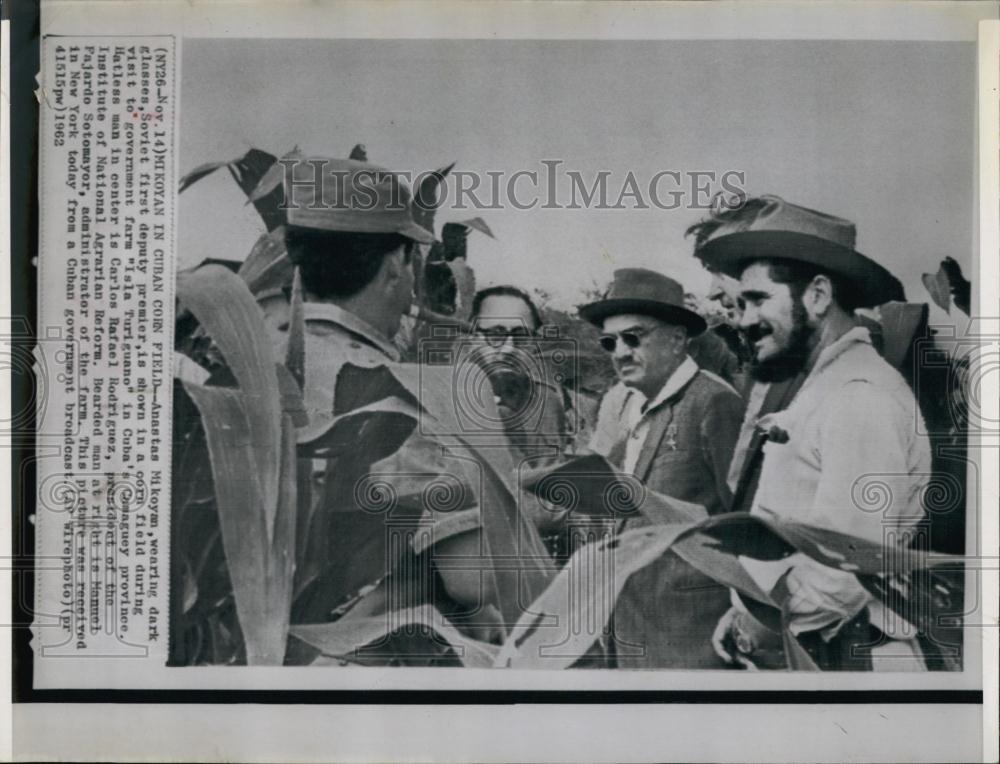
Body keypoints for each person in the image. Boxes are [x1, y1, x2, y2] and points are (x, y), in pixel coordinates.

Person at [692, 194, 930, 670]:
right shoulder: (825, 384)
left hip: (851, 657)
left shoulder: (859, 394)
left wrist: (754, 627)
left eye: (759, 299)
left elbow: (847, 567)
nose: (746, 320)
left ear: (818, 295)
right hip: (816, 647)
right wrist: (745, 612)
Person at [582, 268, 745, 668]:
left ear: (677, 339)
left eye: (633, 337)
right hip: (630, 629)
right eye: (609, 341)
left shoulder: (714, 403)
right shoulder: (626, 404)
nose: (620, 352)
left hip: (692, 637)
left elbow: (745, 524)